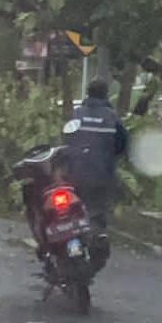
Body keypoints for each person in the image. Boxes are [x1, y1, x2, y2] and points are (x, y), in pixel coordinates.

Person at [63, 77, 128, 271]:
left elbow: (66, 138)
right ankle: (98, 240)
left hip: (74, 174)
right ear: (106, 95)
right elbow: (122, 144)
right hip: (102, 175)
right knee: (97, 213)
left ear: (88, 94)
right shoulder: (111, 117)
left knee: (72, 214)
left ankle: (73, 248)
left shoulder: (77, 114)